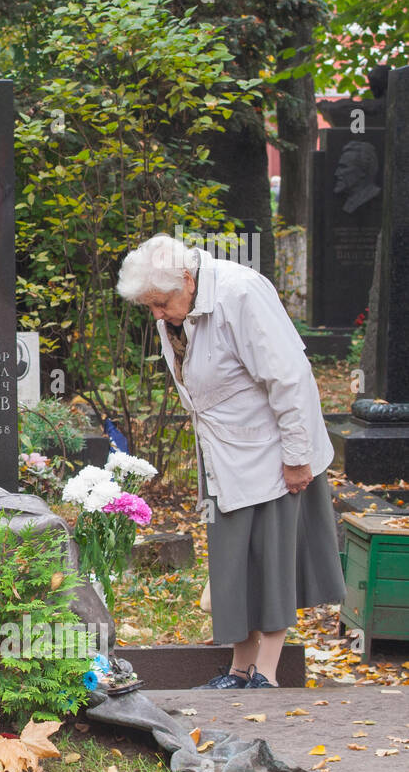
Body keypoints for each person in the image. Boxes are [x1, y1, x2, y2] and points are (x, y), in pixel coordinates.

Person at [116, 233, 346, 689]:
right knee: (234, 562)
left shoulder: (241, 293)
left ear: (186, 277)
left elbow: (290, 376)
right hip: (225, 453)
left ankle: (267, 673)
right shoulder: (178, 302)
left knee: (272, 558)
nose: (158, 316)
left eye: (161, 303)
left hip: (272, 451)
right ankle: (239, 669)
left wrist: (297, 456)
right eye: (151, 307)